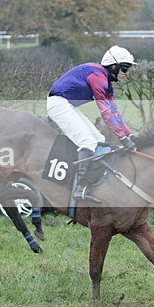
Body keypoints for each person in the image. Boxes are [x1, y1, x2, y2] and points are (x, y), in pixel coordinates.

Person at [46, 45, 137, 202]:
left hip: (67, 104)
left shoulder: (106, 82)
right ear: (113, 66)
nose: (126, 74)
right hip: (58, 104)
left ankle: (90, 182)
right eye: (124, 69)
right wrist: (122, 139)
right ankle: (79, 188)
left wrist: (130, 134)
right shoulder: (97, 77)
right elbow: (106, 113)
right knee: (87, 141)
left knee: (99, 140)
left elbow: (115, 112)